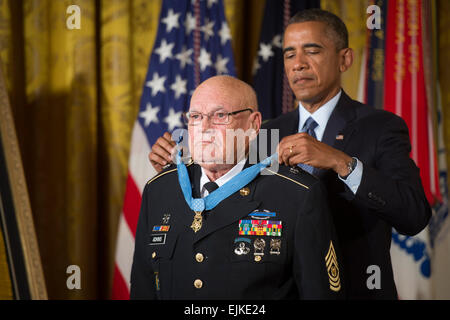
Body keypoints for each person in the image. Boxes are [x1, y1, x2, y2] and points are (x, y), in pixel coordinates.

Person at [147, 9, 432, 299]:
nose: (298, 65)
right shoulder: (266, 132)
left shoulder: (381, 127)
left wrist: (341, 162)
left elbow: (414, 215)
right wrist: (181, 170)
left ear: (345, 59)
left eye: (312, 51)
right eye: (289, 54)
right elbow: (224, 198)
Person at [130, 75, 343, 299]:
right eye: (195, 116)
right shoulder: (159, 189)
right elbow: (143, 289)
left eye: (220, 116)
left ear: (253, 124)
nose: (204, 128)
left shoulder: (297, 194)